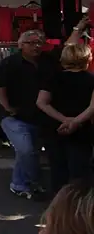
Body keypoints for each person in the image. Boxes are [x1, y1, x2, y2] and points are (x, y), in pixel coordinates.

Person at [0, 30, 58, 200]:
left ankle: (18, 183)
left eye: (39, 42)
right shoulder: (10, 63)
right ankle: (34, 181)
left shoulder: (48, 61)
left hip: (40, 117)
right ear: (21, 45)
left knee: (30, 152)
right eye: (31, 42)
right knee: (26, 150)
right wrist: (7, 107)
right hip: (14, 117)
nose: (36, 46)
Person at [36, 43, 94, 194]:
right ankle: (77, 206)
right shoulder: (91, 79)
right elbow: (92, 107)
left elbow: (41, 102)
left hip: (54, 128)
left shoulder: (53, 78)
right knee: (80, 171)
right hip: (82, 130)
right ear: (87, 58)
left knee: (57, 169)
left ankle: (58, 206)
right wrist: (75, 122)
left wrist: (63, 120)